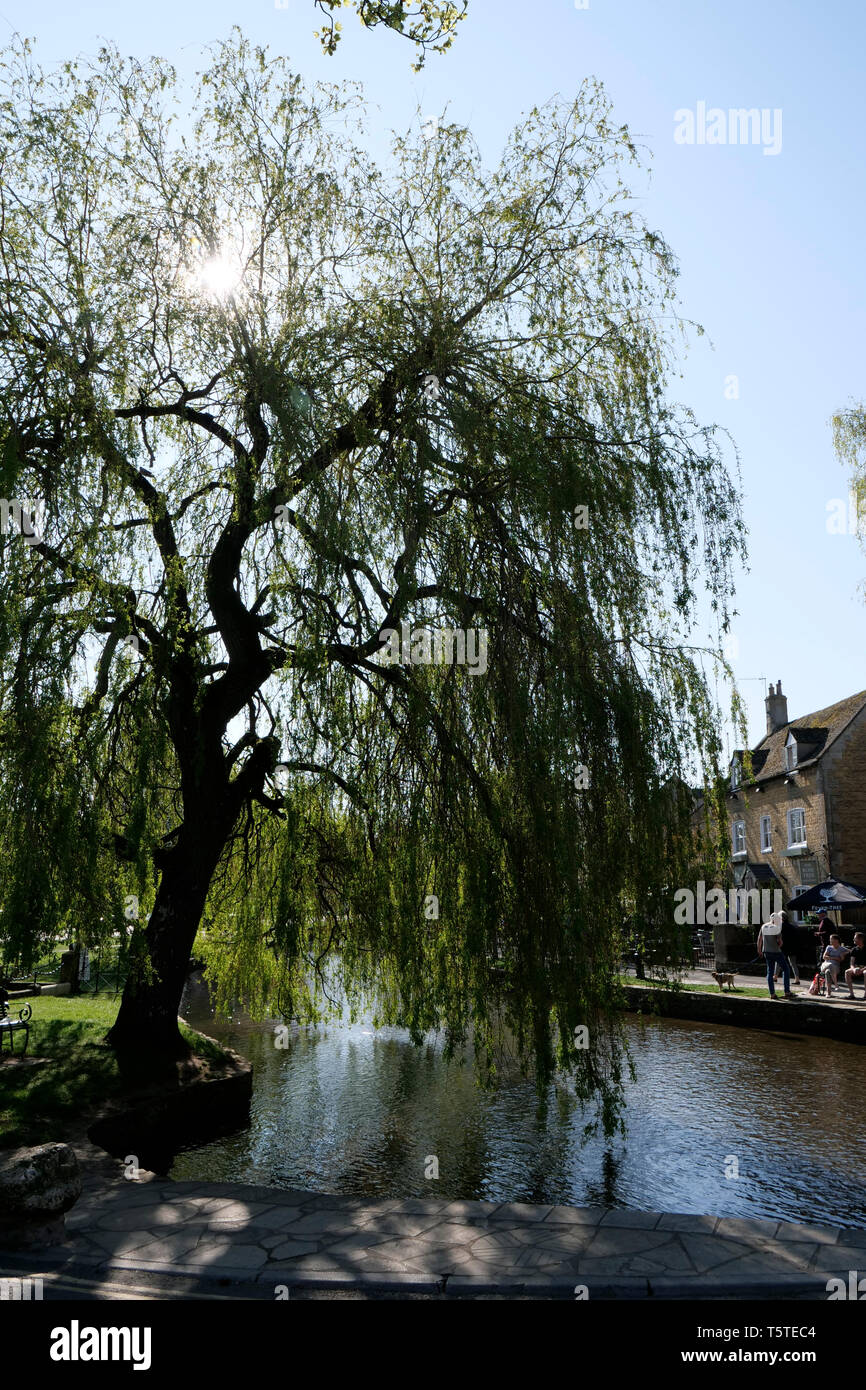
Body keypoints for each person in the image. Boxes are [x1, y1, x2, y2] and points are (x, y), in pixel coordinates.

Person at [757, 911, 793, 998]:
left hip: (766, 952)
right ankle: (787, 992)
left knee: (770, 972)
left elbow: (759, 940)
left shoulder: (763, 926)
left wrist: (759, 951)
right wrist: (779, 944)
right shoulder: (776, 928)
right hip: (776, 952)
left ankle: (772, 994)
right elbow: (780, 942)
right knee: (786, 969)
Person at [773, 910, 801, 986]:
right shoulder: (793, 926)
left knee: (778, 961)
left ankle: (775, 977)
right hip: (792, 948)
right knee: (793, 964)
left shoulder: (780, 926)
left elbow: (778, 937)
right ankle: (797, 979)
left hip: (783, 947)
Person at [844, 932, 866, 1000]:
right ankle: (851, 994)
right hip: (857, 968)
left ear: (861, 939)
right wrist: (853, 969)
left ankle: (865, 995)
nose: (853, 939)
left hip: (865, 968)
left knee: (865, 972)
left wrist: (861, 970)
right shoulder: (854, 949)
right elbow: (851, 963)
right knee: (847, 972)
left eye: (855, 938)